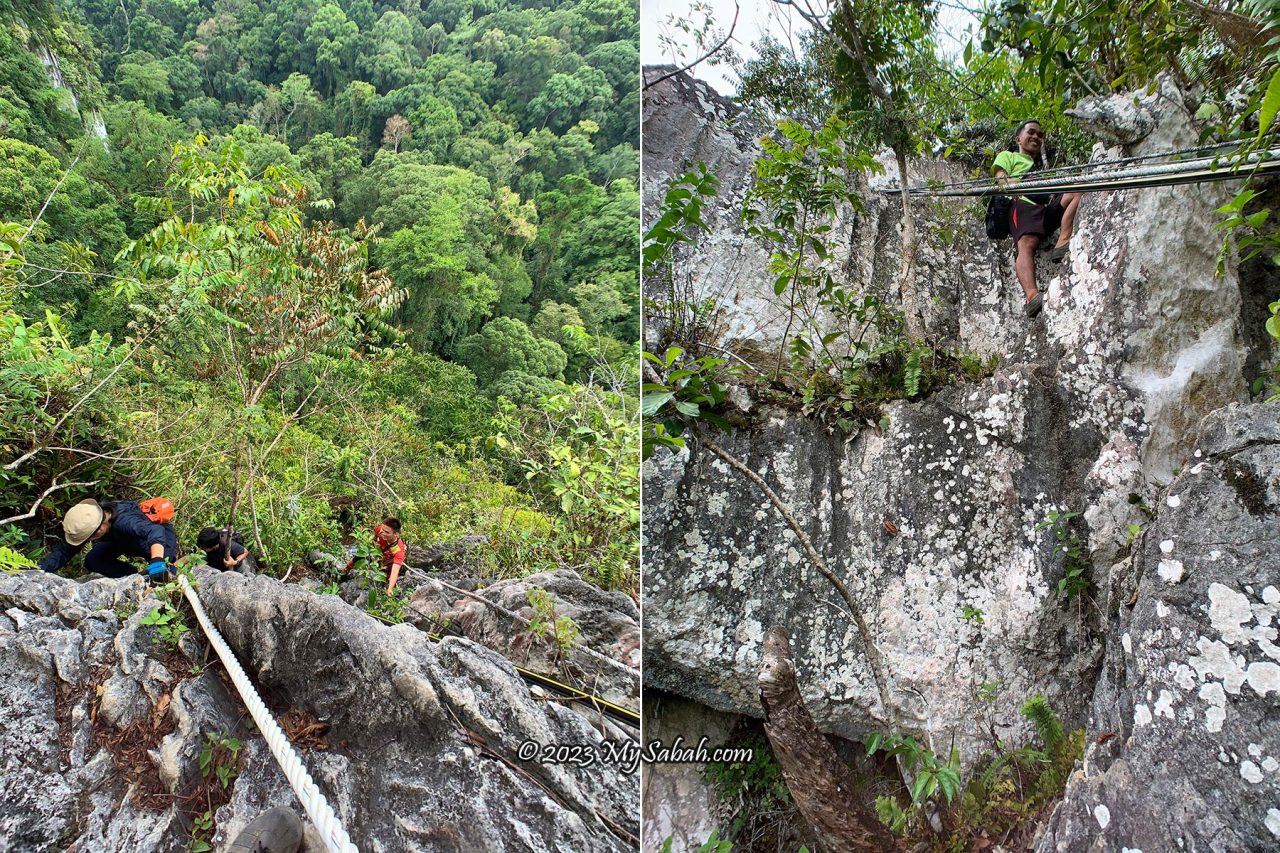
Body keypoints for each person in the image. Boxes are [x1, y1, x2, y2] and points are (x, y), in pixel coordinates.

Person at [992, 119, 1083, 318]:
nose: (1036, 137)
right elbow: (1000, 178)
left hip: (1042, 209)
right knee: (1027, 243)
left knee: (1077, 190)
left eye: (1040, 135)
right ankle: (1032, 296)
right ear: (1018, 138)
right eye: (1031, 132)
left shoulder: (1039, 169)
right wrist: (1012, 183)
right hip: (1021, 203)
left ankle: (1063, 240)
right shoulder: (1008, 156)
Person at [38, 498, 177, 580]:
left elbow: (155, 531)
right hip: (121, 540)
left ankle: (163, 571)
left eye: (90, 537)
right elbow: (66, 551)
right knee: (93, 560)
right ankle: (132, 577)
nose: (90, 540)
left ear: (99, 529)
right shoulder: (93, 519)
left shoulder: (125, 523)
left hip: (157, 540)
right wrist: (39, 570)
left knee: (163, 573)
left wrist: (157, 563)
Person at [345, 517, 407, 595]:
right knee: (361, 555)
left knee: (388, 583)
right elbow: (372, 538)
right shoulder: (380, 530)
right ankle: (345, 570)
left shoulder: (398, 550)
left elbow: (395, 570)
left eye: (387, 532)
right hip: (377, 556)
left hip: (387, 565)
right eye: (383, 530)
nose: (383, 533)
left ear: (395, 535)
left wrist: (390, 589)